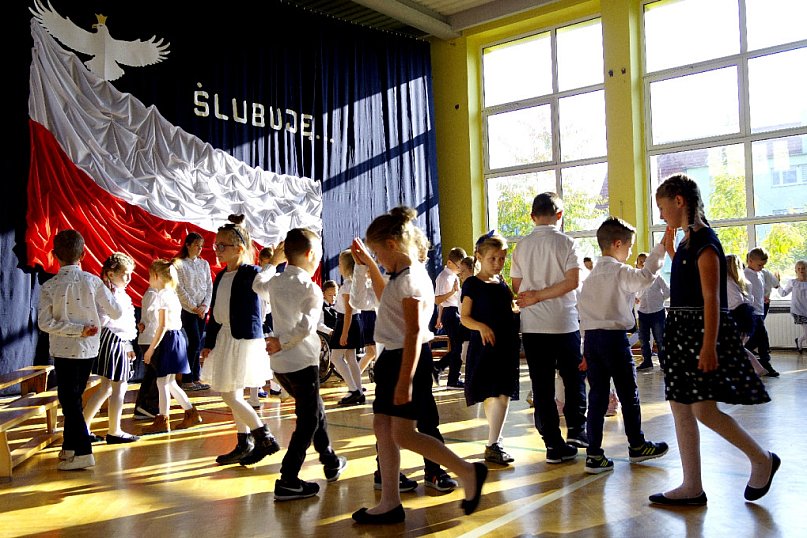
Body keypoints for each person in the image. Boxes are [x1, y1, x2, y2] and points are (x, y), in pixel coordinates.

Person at [350, 207, 487, 524]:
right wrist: (369, 263)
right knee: (383, 427)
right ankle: (389, 502)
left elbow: (413, 332)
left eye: (378, 253)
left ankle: (468, 472)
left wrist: (404, 381)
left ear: (392, 245)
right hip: (393, 357)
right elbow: (386, 298)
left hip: (406, 359)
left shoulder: (411, 279)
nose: (378, 259)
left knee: (404, 434)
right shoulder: (400, 276)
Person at [650, 173, 777, 506]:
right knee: (681, 407)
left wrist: (708, 346)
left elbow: (710, 297)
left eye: (662, 207)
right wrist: (671, 252)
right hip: (682, 333)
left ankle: (761, 459)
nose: (661, 215)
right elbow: (690, 282)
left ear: (679, 201)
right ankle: (692, 485)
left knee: (703, 410)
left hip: (698, 335)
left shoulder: (706, 241)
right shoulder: (687, 242)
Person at [578, 217, 670, 474]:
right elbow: (645, 276)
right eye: (629, 247)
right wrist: (662, 247)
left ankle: (594, 454)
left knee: (597, 397)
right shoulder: (619, 272)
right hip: (614, 341)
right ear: (617, 244)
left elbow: (582, 313)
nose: (630, 253)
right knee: (629, 394)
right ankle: (637, 444)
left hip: (592, 340)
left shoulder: (590, 278)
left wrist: (584, 348)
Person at [264, 228, 348, 501]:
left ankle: (330, 461)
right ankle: (288, 479)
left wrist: (272, 263)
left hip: (281, 366)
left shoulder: (275, 281)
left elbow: (257, 285)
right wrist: (283, 342)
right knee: (309, 419)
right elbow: (306, 327)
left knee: (315, 410)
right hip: (301, 361)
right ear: (311, 254)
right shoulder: (310, 288)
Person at [512, 192, 588, 463]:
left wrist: (535, 296)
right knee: (573, 378)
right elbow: (573, 282)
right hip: (564, 322)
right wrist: (543, 294)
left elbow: (518, 287)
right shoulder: (567, 242)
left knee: (542, 386)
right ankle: (577, 429)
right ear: (560, 215)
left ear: (532, 216)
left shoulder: (521, 246)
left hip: (533, 326)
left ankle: (553, 445)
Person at [38, 230, 123, 470]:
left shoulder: (49, 286)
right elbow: (116, 312)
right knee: (72, 400)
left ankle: (84, 451)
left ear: (54, 255)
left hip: (65, 350)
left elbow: (44, 323)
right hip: (87, 349)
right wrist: (89, 322)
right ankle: (70, 447)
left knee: (70, 401)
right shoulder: (93, 281)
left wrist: (77, 329)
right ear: (83, 254)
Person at [200, 215, 281, 465]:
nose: (217, 249)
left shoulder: (251, 273)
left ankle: (264, 437)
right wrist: (209, 343)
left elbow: (264, 283)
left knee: (229, 394)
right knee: (232, 392)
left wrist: (273, 263)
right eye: (216, 245)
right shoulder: (221, 276)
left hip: (242, 339)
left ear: (239, 248)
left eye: (222, 245)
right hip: (225, 337)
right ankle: (244, 442)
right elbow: (216, 311)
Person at [460, 232, 520, 465]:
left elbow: (507, 308)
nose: (497, 263)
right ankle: (494, 442)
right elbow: (465, 317)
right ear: (479, 257)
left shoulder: (501, 283)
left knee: (502, 393)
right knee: (492, 394)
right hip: (486, 346)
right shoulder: (472, 284)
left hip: (505, 344)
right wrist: (481, 327)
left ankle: (495, 440)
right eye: (492, 259)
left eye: (501, 258)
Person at [141, 259, 204, 434]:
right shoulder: (172, 293)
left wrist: (151, 349)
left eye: (149, 276)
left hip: (169, 339)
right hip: (176, 337)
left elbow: (162, 326)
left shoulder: (162, 295)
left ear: (156, 276)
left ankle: (163, 419)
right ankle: (190, 413)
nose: (149, 280)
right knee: (168, 382)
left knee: (163, 381)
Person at [83, 252, 140, 444]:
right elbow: (106, 320)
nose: (128, 278)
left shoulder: (118, 293)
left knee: (106, 388)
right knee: (118, 387)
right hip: (113, 339)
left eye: (130, 274)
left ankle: (83, 427)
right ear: (110, 274)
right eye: (125, 274)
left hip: (118, 339)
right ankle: (114, 431)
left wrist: (128, 343)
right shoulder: (108, 293)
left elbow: (125, 322)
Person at [174, 232, 212, 392]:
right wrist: (194, 307)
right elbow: (179, 288)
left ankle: (196, 377)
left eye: (201, 246)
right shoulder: (179, 264)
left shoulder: (204, 264)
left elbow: (209, 286)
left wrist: (204, 306)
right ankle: (187, 378)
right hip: (188, 309)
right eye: (196, 245)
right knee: (194, 342)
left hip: (202, 310)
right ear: (188, 245)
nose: (199, 249)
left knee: (197, 343)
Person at [331, 249, 365, 406]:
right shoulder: (352, 284)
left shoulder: (347, 286)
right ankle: (358, 390)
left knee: (335, 357)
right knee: (351, 357)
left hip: (346, 322)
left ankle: (353, 389)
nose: (338, 267)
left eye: (339, 264)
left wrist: (344, 333)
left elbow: (348, 311)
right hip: (352, 321)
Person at [726, 254, 769, 376]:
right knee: (738, 347)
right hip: (746, 316)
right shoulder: (743, 282)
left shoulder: (728, 282)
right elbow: (750, 299)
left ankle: (753, 370)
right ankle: (758, 369)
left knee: (736, 347)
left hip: (738, 316)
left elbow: (736, 301)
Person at [434, 247, 468, 388]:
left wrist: (439, 318)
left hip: (454, 312)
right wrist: (453, 291)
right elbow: (438, 300)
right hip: (450, 313)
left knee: (457, 346)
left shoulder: (453, 276)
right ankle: (452, 378)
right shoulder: (443, 277)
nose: (460, 269)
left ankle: (440, 368)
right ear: (449, 263)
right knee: (457, 347)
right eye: (458, 266)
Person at [744, 248, 779, 376]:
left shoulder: (760, 273)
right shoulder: (745, 274)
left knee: (759, 339)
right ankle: (764, 363)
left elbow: (759, 290)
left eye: (763, 265)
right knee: (761, 338)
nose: (762, 267)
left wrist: (763, 297)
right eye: (760, 265)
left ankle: (760, 363)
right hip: (751, 312)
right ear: (750, 261)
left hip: (759, 310)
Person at [635, 251, 670, 370]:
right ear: (637, 264)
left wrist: (660, 299)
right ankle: (647, 361)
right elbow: (632, 293)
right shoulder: (636, 279)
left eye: (645, 261)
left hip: (657, 312)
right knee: (643, 339)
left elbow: (667, 291)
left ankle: (663, 362)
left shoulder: (657, 277)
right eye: (640, 261)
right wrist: (635, 298)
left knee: (660, 339)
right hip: (643, 313)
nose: (642, 263)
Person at [133, 286, 160, 419]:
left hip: (151, 338)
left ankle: (143, 406)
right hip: (151, 339)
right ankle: (148, 405)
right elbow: (155, 319)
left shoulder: (156, 293)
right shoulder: (153, 293)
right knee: (158, 373)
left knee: (152, 373)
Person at [779, 259, 807, 354]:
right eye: (799, 269)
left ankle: (798, 341)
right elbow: (783, 293)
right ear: (796, 270)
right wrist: (778, 285)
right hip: (798, 311)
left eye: (803, 268)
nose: (801, 270)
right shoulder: (793, 282)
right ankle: (799, 342)